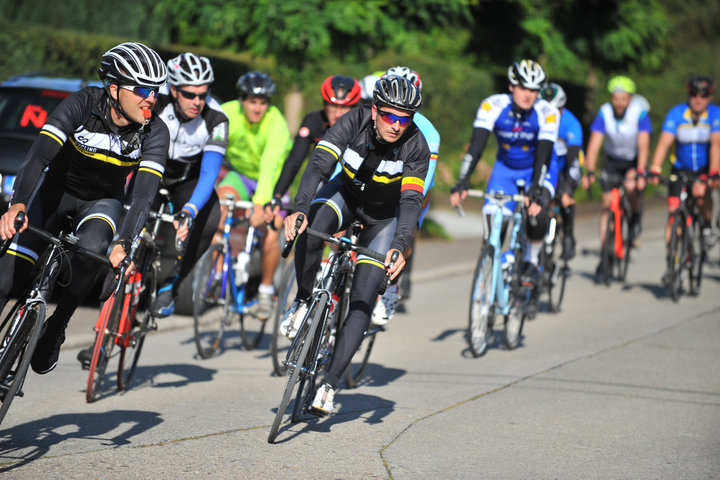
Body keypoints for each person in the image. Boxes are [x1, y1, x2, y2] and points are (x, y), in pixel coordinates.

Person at [0, 42, 169, 374]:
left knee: (95, 248)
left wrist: (124, 243)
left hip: (101, 202)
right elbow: (38, 157)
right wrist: (16, 205)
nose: (151, 97)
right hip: (54, 192)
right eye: (143, 89)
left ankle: (58, 324)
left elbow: (143, 195)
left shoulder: (155, 131)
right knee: (5, 279)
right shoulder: (83, 103)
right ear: (114, 87)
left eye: (156, 90)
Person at [281, 75, 429, 415]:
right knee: (311, 227)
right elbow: (319, 164)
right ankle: (304, 299)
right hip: (345, 195)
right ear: (375, 110)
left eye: (405, 119)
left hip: (384, 217)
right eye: (390, 115)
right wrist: (299, 208)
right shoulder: (354, 120)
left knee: (364, 294)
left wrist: (400, 245)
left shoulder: (416, 146)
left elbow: (409, 204)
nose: (396, 125)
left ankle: (329, 385)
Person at [450, 59, 559, 289]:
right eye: (523, 88)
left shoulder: (547, 111)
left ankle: (530, 260)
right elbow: (477, 146)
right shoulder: (493, 105)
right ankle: (491, 289)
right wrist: (463, 179)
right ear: (511, 86)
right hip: (505, 171)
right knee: (492, 234)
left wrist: (536, 188)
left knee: (538, 212)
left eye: (533, 89)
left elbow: (544, 154)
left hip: (537, 170)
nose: (528, 95)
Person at [137, 52, 229, 318]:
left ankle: (172, 284)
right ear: (174, 89)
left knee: (211, 217)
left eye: (203, 94)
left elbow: (210, 173)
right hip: (150, 170)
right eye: (190, 94)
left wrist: (189, 210)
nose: (197, 101)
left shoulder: (217, 118)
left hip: (187, 178)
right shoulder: (155, 100)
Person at [216, 72, 292, 320]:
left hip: (271, 181)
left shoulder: (276, 123)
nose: (257, 108)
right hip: (241, 174)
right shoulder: (227, 113)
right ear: (241, 100)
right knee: (220, 202)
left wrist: (260, 205)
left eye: (263, 102)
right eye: (252, 101)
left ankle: (265, 289)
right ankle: (218, 265)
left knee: (271, 233)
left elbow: (270, 167)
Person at [370, 66, 440, 325]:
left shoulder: (428, 134)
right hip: (376, 184)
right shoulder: (373, 117)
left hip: (408, 190)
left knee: (402, 233)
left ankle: (390, 288)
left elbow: (424, 179)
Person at [647, 74, 720, 282]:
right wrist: (655, 168)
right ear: (688, 95)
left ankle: (706, 224)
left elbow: (716, 145)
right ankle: (671, 262)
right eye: (694, 94)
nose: (698, 99)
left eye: (704, 95)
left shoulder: (715, 115)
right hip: (680, 169)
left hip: (706, 168)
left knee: (699, 193)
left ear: (710, 97)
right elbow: (663, 143)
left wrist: (713, 173)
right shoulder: (677, 114)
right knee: (673, 213)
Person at [582, 75, 651, 280]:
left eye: (624, 98)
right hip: (612, 160)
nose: (619, 103)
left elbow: (644, 145)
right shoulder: (604, 112)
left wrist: (640, 172)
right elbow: (594, 144)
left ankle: (636, 215)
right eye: (616, 98)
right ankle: (605, 253)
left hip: (633, 160)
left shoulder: (639, 113)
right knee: (607, 205)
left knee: (631, 188)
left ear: (630, 98)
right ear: (611, 98)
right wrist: (589, 171)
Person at [266, 74, 361, 213]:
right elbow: (294, 161)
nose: (338, 114)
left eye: (345, 108)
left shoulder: (361, 126)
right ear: (324, 105)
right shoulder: (313, 120)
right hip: (323, 178)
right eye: (333, 106)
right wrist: (277, 195)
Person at [539, 82, 584, 259]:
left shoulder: (571, 124)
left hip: (566, 166)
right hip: (547, 166)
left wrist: (568, 189)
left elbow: (573, 159)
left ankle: (568, 236)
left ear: (562, 109)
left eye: (555, 110)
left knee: (566, 199)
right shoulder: (538, 119)